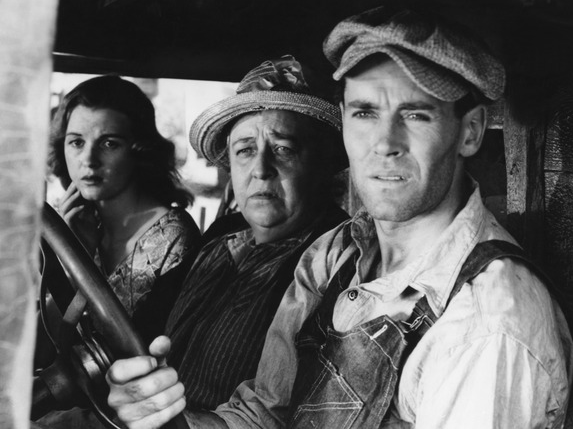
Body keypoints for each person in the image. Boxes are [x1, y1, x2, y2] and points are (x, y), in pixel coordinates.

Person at [105, 7, 573, 429]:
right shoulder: (334, 254)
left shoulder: (486, 322)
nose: (384, 141)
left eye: (415, 114)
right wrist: (168, 422)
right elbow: (265, 415)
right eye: (365, 112)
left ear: (469, 131)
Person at [36, 56, 349, 428]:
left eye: (283, 149)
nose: (261, 169)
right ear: (230, 166)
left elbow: (279, 410)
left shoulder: (332, 260)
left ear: (322, 164)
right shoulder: (219, 240)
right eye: (245, 150)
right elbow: (134, 341)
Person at [48, 75, 201, 341]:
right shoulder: (77, 224)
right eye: (76, 142)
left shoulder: (172, 237)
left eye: (109, 144)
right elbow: (51, 337)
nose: (88, 160)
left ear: (139, 149)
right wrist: (75, 254)